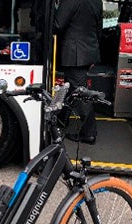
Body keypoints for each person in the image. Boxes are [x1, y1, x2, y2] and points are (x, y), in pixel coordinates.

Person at [53, 0, 102, 145]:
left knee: (80, 94)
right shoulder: (97, 1)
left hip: (74, 54)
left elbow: (57, 25)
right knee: (71, 89)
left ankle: (88, 133)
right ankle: (61, 121)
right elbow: (99, 28)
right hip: (87, 50)